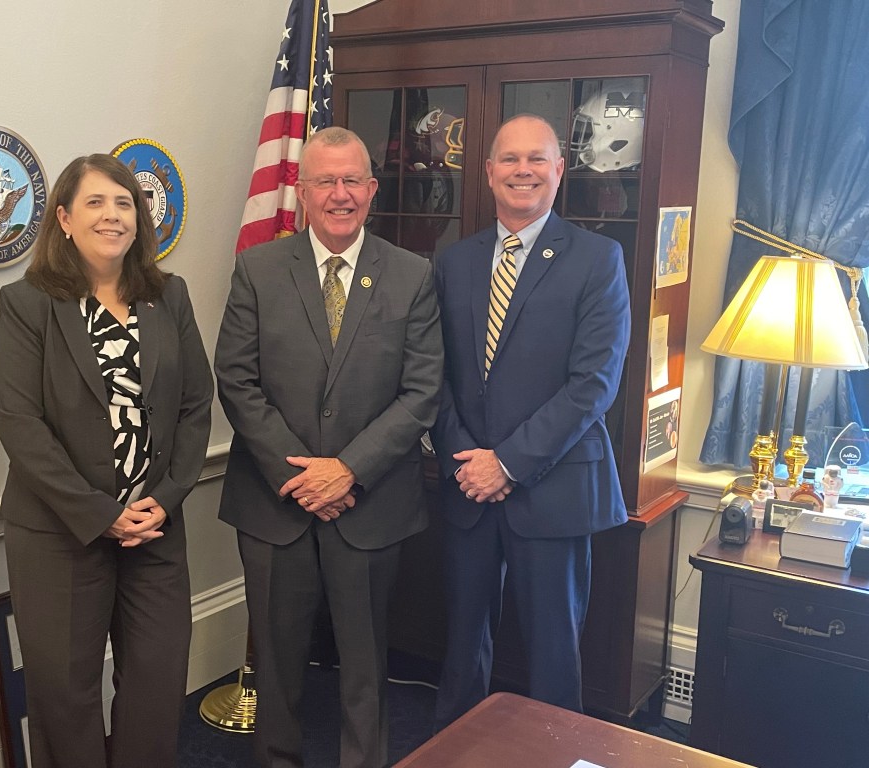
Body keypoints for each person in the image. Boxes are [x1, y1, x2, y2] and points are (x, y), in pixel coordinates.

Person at [215, 126, 443, 768]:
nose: (340, 195)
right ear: (302, 190)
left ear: (372, 189)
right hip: (273, 506)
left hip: (370, 508)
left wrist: (347, 470)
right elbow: (236, 377)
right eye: (326, 181)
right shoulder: (259, 269)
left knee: (366, 668)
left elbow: (422, 391)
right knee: (277, 669)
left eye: (353, 181)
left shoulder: (412, 274)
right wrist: (301, 477)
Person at [0, 153, 213, 768]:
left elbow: (197, 407)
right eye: (95, 202)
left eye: (123, 204)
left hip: (154, 529)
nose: (112, 216)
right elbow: (19, 422)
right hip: (60, 534)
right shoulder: (28, 303)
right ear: (63, 217)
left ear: (139, 220)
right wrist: (99, 513)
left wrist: (161, 500)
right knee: (66, 696)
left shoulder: (171, 296)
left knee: (156, 685)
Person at [431, 114, 630, 726]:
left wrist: (509, 464)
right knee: (461, 647)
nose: (524, 170)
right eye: (510, 160)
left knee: (552, 657)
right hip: (468, 484)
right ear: (487, 173)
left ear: (559, 170)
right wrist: (468, 460)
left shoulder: (598, 258)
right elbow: (431, 373)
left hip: (553, 485)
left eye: (537, 159)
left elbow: (592, 384)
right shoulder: (453, 260)